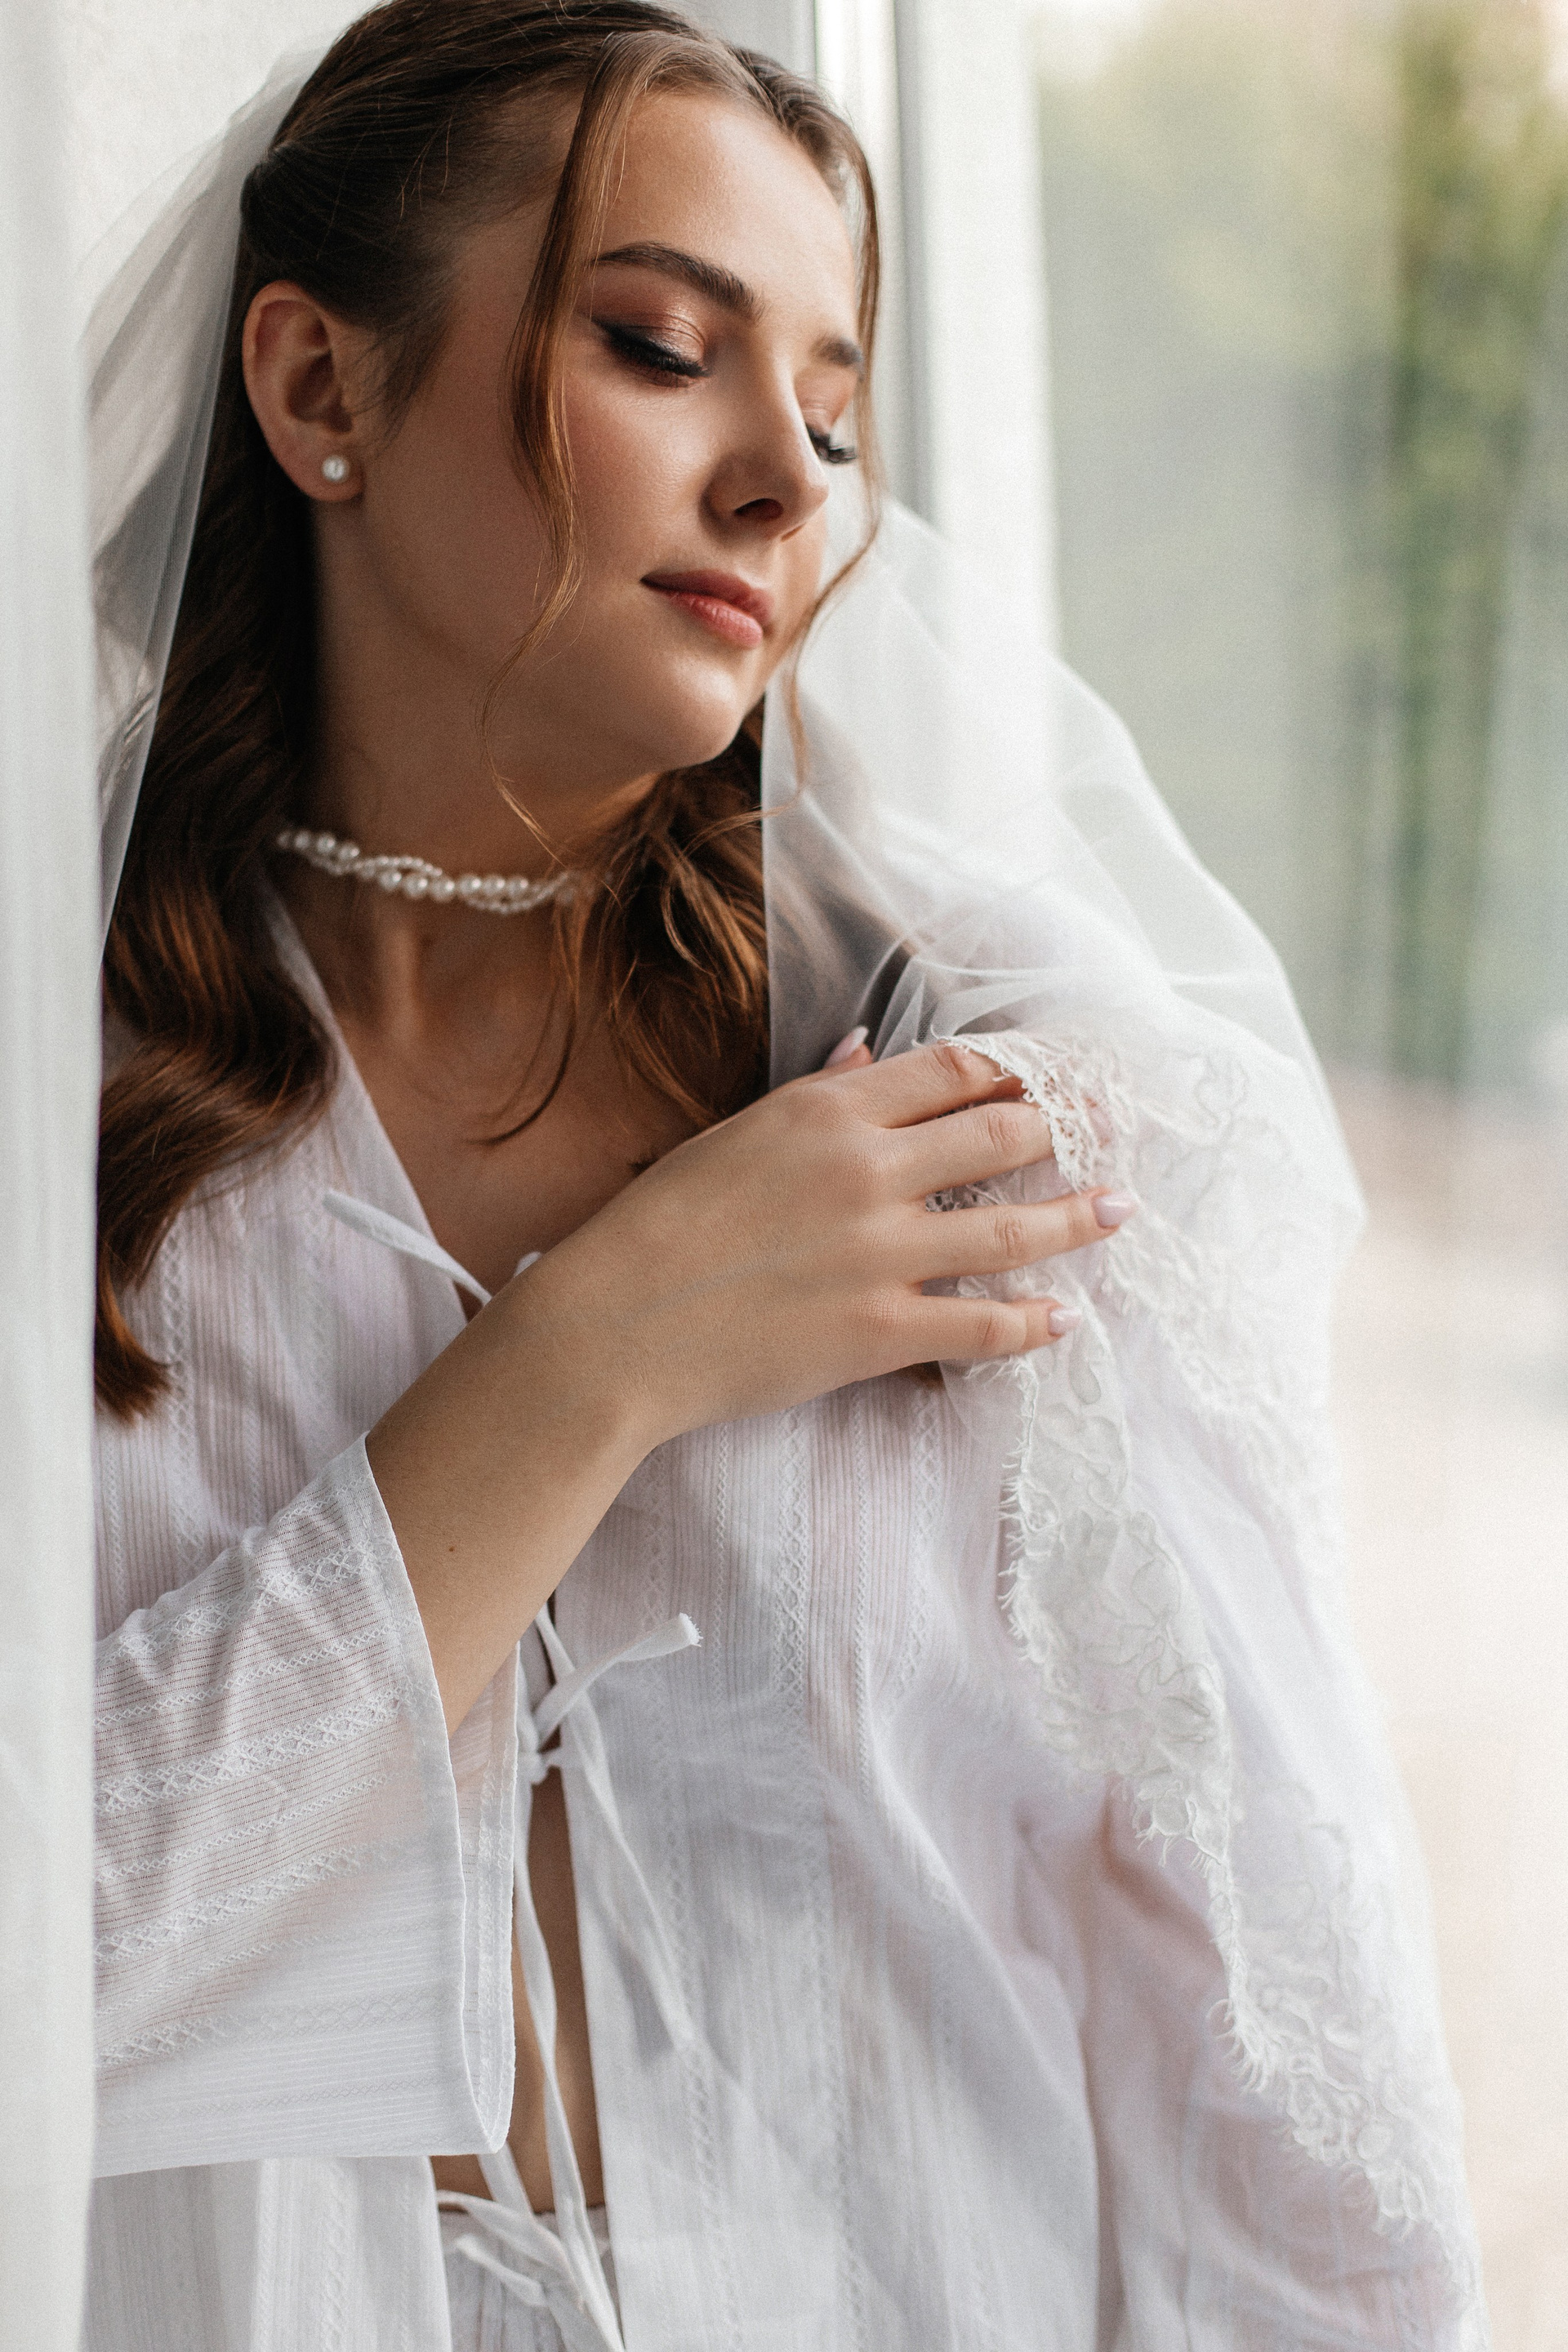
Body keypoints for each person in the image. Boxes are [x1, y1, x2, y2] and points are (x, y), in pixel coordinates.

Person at [85, 4, 1486, 2347]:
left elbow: (1286, 2096)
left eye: (833, 417)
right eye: (661, 347)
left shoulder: (1009, 1097)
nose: (783, 483)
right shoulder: (74, 1133)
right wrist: (590, 1361)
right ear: (322, 386)